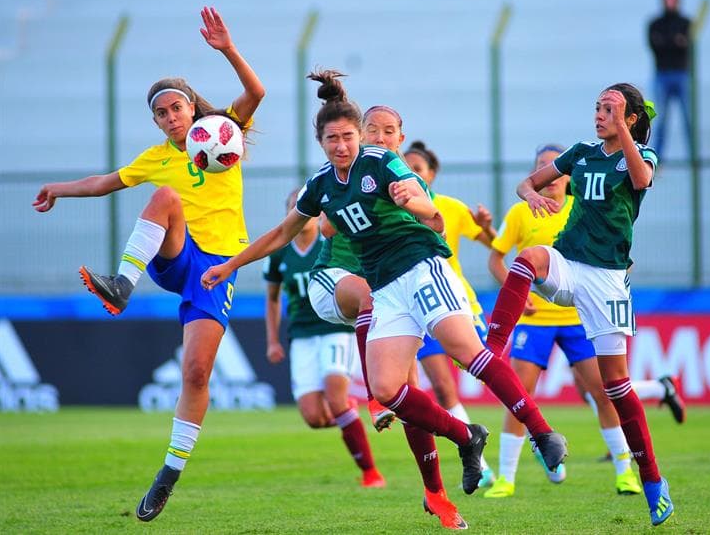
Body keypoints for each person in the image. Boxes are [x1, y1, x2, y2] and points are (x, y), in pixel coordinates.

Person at [201, 69, 567, 530]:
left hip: (420, 265)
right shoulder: (320, 186)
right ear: (321, 141)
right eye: (333, 138)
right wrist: (231, 265)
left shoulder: (380, 162)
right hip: (384, 287)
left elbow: (424, 205)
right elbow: (282, 233)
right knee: (387, 391)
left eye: (349, 136)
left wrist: (413, 202)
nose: (342, 145)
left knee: (465, 352)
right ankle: (466, 437)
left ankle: (542, 433)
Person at [32, 7, 265, 522]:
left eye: (175, 108)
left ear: (190, 107)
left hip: (217, 267)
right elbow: (104, 183)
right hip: (173, 256)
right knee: (163, 195)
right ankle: (122, 283)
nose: (170, 118)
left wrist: (227, 49)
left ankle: (167, 476)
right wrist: (59, 191)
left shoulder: (221, 132)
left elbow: (257, 94)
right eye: (160, 114)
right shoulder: (157, 157)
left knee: (197, 372)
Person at [485, 83, 675, 526]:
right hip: (569, 263)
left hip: (607, 280)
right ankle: (492, 348)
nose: (599, 115)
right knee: (527, 260)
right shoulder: (581, 152)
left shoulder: (641, 156)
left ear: (630, 118)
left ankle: (651, 479)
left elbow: (642, 180)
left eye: (610, 109)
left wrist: (627, 127)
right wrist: (530, 193)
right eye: (597, 107)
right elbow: (526, 183)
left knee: (616, 387)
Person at [307, 105, 466, 528]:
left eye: (386, 132)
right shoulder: (354, 175)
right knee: (368, 301)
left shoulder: (400, 183)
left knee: (410, 394)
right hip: (335, 280)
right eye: (370, 130)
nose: (376, 137)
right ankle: (376, 401)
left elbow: (439, 226)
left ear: (398, 141)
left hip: (394, 289)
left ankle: (436, 493)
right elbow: (324, 226)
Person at [483, 144, 641, 499]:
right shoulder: (521, 213)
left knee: (603, 392)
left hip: (579, 318)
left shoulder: (582, 208)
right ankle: (507, 478)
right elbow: (496, 260)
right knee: (518, 396)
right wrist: (516, 295)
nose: (548, 174)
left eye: (553, 167)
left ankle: (624, 472)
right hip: (535, 321)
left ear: (568, 177)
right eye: (541, 166)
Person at [264, 189, 384, 488]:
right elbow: (272, 299)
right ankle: (350, 416)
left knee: (335, 395)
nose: (301, 212)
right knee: (314, 418)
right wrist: (272, 340)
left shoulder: (329, 244)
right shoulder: (280, 253)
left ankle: (371, 473)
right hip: (302, 335)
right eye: (294, 207)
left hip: (334, 329)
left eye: (306, 207)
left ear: (317, 213)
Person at [403, 139, 496, 488]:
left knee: (491, 373)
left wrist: (486, 225)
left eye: (418, 168)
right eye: (406, 167)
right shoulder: (390, 208)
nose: (411, 173)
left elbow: (494, 243)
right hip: (417, 306)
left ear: (432, 174)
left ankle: (538, 436)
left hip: (457, 304)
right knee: (443, 389)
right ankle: (482, 463)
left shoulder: (449, 209)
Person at [647, 0, 692, 161]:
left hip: (682, 75)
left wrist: (667, 42)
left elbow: (687, 46)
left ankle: (693, 158)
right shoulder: (655, 24)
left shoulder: (686, 23)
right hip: (662, 76)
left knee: (688, 120)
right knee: (661, 121)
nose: (670, 2)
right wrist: (675, 42)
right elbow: (655, 46)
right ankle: (657, 159)